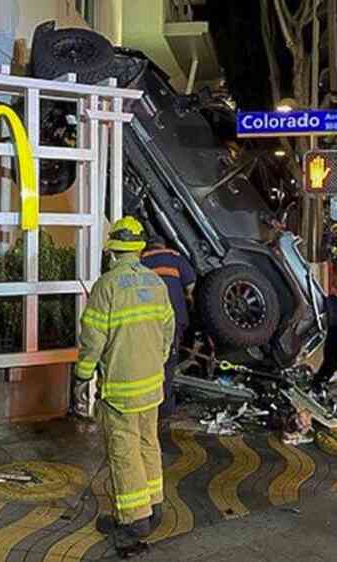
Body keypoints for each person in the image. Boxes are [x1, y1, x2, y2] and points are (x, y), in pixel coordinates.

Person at [73, 216, 175, 556]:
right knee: (148, 444)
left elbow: (92, 340)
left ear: (113, 251)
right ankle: (154, 506)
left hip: (121, 390)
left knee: (124, 453)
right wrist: (154, 363)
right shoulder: (156, 284)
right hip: (152, 386)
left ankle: (133, 522)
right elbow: (167, 333)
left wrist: (82, 376)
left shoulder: (107, 286)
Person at [140, 235, 196, 418]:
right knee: (168, 363)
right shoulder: (174, 256)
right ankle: (164, 408)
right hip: (174, 317)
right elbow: (191, 285)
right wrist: (188, 299)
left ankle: (147, 404)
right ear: (163, 244)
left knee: (149, 360)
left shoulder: (141, 260)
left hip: (149, 320)